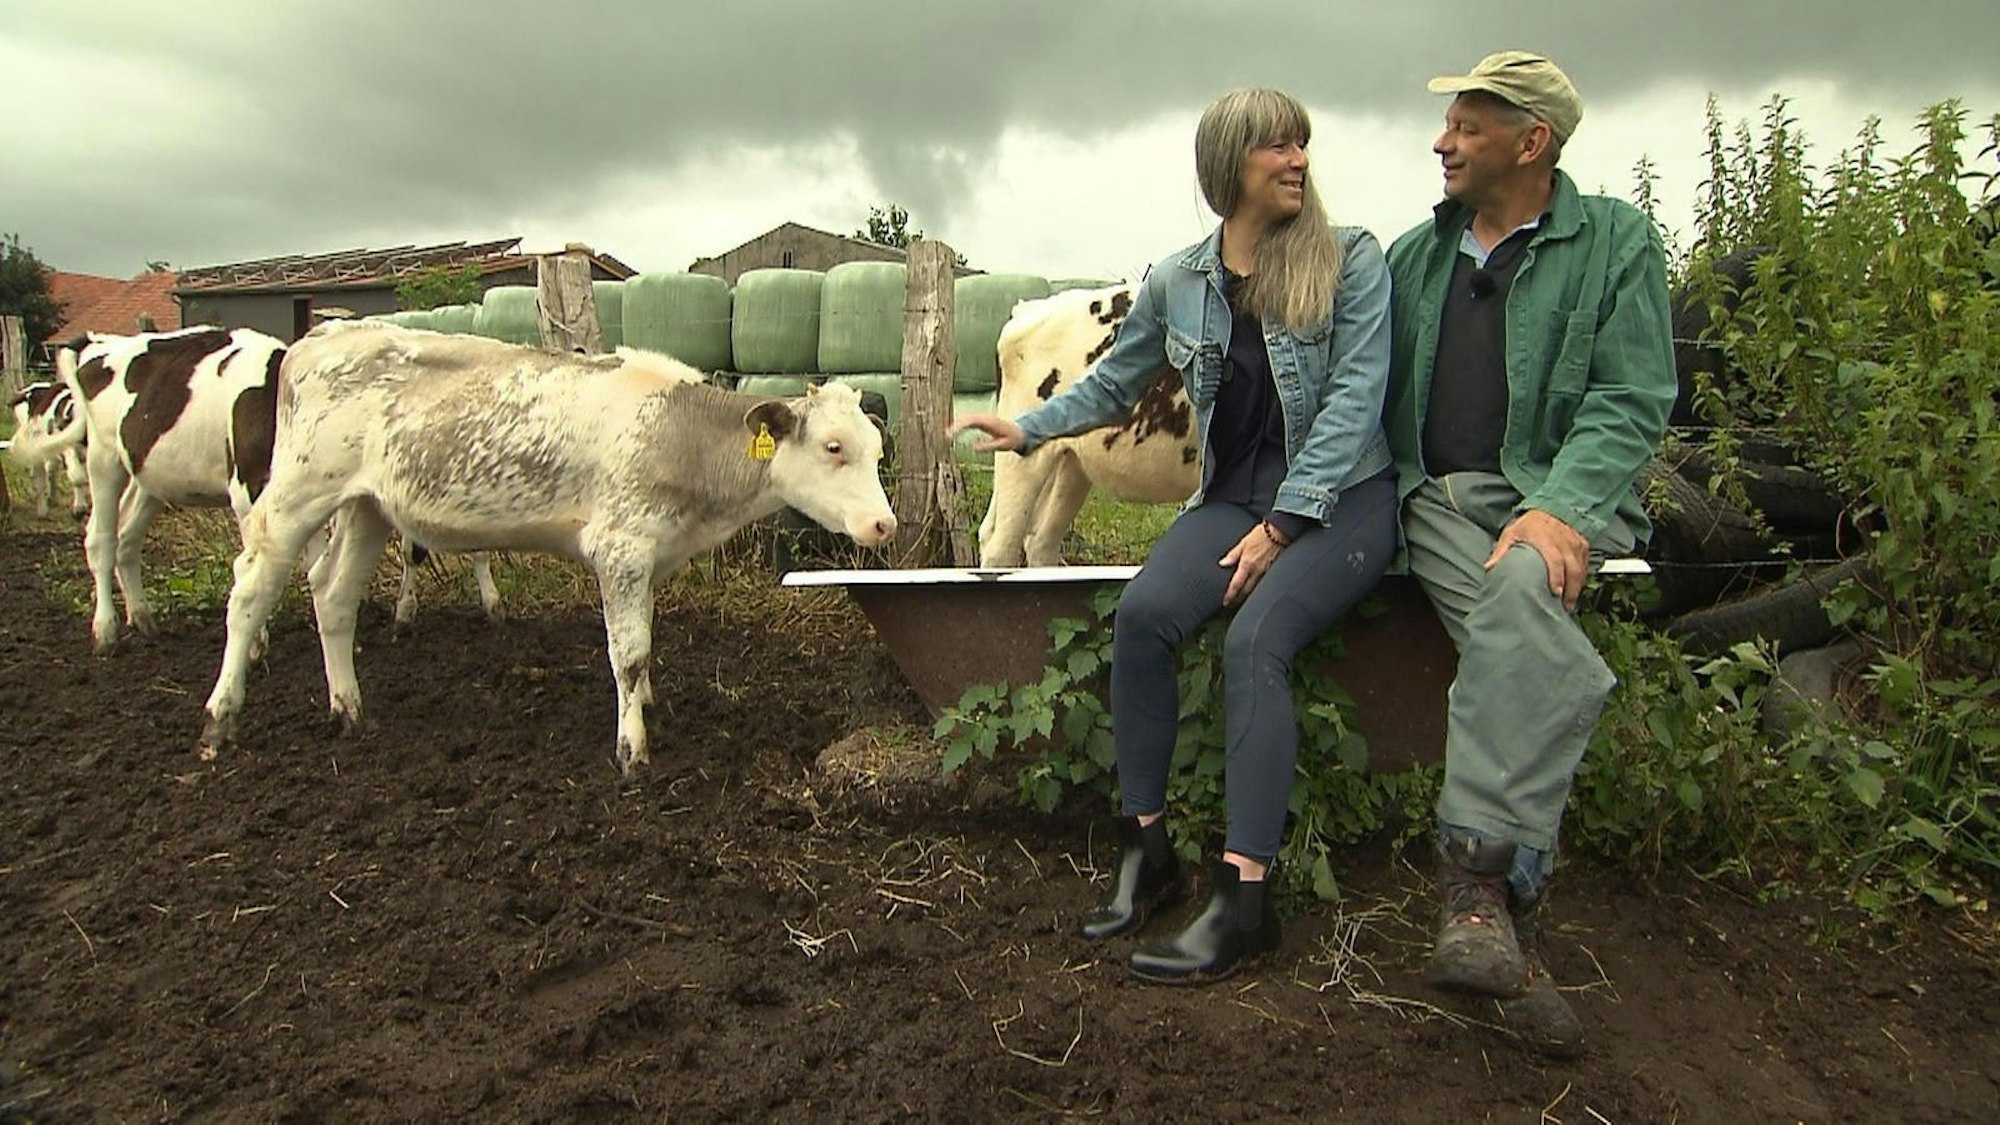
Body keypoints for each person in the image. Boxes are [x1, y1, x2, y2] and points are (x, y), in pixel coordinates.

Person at [953, 87, 1397, 983]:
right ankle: (1147, 852)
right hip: (1235, 498)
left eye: (1303, 142)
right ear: (1228, 163)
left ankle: (1245, 898)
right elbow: (1117, 382)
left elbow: (1355, 401)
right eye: (1278, 145)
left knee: (1256, 640)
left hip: (1343, 498)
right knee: (1144, 615)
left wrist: (1284, 524)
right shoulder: (1180, 278)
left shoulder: (1351, 259)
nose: (1299, 159)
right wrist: (1031, 427)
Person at [1383, 52, 1676, 1055]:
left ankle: (1476, 895)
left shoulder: (1617, 245)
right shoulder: (1414, 256)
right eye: (1446, 126)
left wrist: (1560, 510)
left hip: (1540, 500)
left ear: (1529, 141)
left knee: (1520, 604)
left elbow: (1628, 397)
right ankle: (1515, 927)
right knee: (1537, 647)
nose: (1441, 142)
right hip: (1430, 499)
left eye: (1464, 126)